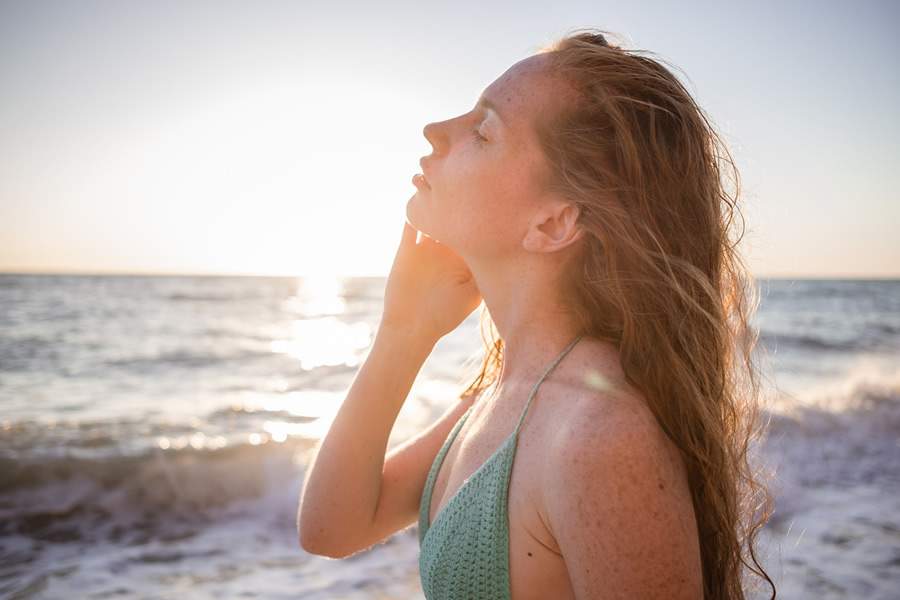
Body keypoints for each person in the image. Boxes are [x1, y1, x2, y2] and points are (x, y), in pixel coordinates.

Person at [298, 27, 776, 600]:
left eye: (482, 130)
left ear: (553, 223)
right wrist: (404, 333)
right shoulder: (510, 393)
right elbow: (332, 526)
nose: (434, 131)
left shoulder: (599, 435)